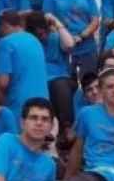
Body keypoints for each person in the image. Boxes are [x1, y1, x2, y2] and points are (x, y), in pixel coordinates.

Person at [64, 68, 114, 180]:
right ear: (101, 91)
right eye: (110, 87)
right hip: (97, 173)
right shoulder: (87, 114)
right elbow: (78, 149)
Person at [42, 0, 101, 77]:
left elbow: (95, 20)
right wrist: (66, 39)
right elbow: (47, 19)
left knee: (91, 85)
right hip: (62, 49)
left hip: (87, 47)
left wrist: (82, 36)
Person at [26, 11, 77, 147]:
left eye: (44, 32)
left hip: (60, 78)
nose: (42, 36)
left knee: (60, 86)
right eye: (38, 34)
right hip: (38, 78)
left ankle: (67, 128)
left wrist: (56, 21)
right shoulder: (30, 42)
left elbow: (70, 45)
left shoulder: (55, 38)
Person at [0, 10, 49, 120]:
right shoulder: (35, 40)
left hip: (19, 106)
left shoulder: (6, 43)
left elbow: (2, 82)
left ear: (4, 25)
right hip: (43, 103)